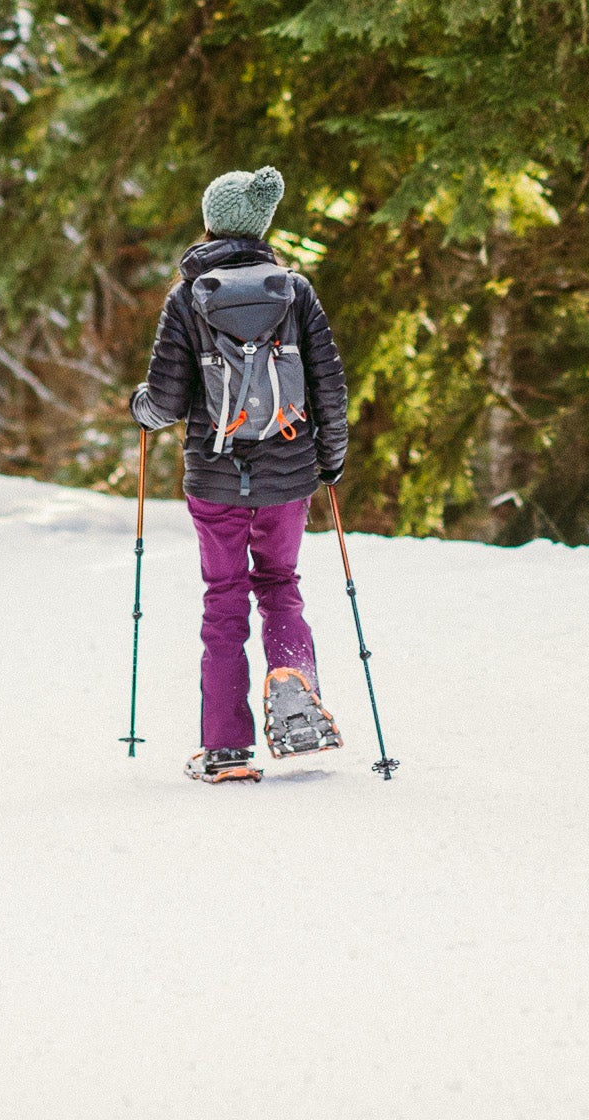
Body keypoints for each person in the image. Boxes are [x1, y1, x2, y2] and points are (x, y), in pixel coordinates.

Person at [132, 165, 352, 783]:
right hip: (289, 475)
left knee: (223, 601)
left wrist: (139, 408)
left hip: (214, 478)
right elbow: (329, 386)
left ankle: (226, 750)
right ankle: (292, 684)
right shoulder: (296, 292)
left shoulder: (188, 297)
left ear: (210, 225)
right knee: (280, 583)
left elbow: (168, 400)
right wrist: (327, 460)